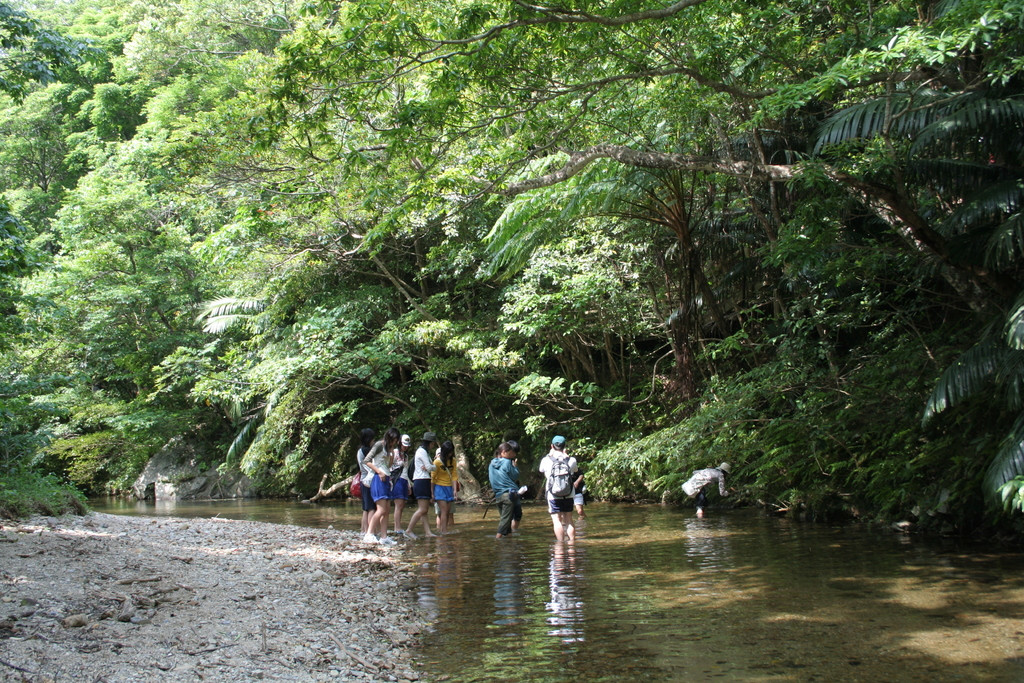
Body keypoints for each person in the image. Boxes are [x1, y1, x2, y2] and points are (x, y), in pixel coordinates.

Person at [362, 428, 400, 545]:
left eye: (395, 440)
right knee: (381, 509)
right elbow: (367, 460)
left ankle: (384, 537)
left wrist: (392, 454)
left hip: (386, 478)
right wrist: (379, 472)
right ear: (389, 437)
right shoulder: (379, 445)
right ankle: (369, 534)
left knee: (387, 510)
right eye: (393, 440)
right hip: (378, 479)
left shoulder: (389, 448)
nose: (394, 442)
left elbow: (388, 465)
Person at [539, 435, 578, 542]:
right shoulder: (571, 460)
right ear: (565, 446)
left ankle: (560, 545)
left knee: (557, 521)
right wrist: (566, 456)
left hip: (553, 495)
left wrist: (549, 455)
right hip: (569, 494)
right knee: (569, 520)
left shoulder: (546, 460)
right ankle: (572, 545)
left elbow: (541, 470)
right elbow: (575, 470)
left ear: (552, 446)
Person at [404, 432, 438, 539]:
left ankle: (428, 532)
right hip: (421, 481)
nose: (433, 446)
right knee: (423, 509)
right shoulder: (422, 452)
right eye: (433, 444)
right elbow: (430, 467)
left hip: (422, 480)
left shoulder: (423, 451)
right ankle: (409, 530)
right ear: (430, 443)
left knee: (424, 510)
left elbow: (428, 467)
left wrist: (430, 466)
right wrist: (433, 466)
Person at [488, 441, 524, 539]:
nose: (513, 455)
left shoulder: (491, 463)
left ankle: (509, 542)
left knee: (506, 522)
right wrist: (515, 467)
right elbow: (515, 476)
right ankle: (497, 539)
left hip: (498, 495)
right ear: (504, 452)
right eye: (511, 453)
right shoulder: (507, 462)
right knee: (505, 521)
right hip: (508, 495)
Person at [432, 440, 459, 534]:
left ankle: (444, 530)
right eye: (448, 452)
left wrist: (454, 490)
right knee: (443, 511)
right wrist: (432, 493)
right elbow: (433, 478)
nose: (450, 454)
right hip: (439, 488)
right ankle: (443, 531)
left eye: (451, 452)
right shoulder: (437, 462)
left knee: (447, 511)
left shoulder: (453, 461)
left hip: (449, 487)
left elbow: (454, 475)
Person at [391, 434, 413, 534]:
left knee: (402, 504)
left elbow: (406, 471)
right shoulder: (394, 452)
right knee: (399, 504)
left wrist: (409, 484)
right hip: (397, 480)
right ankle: (397, 527)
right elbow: (389, 467)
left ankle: (398, 526)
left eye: (407, 445)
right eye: (404, 445)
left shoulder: (406, 456)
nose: (405, 447)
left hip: (404, 480)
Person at [356, 428, 376, 536]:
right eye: (373, 438)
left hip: (362, 479)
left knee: (365, 508)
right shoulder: (367, 451)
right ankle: (370, 532)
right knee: (371, 508)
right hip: (369, 480)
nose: (374, 441)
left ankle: (364, 530)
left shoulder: (360, 450)